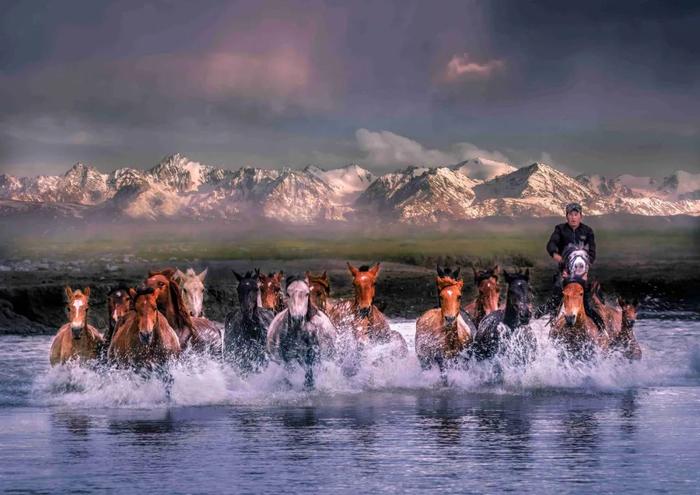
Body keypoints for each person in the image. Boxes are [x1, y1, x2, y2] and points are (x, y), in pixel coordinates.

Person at [536, 202, 605, 330]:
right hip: (564, 274)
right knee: (554, 302)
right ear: (566, 216)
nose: (573, 217)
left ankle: (602, 330)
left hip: (582, 275)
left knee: (588, 306)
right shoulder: (560, 229)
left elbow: (592, 254)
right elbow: (551, 245)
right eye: (570, 215)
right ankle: (535, 322)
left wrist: (585, 272)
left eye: (575, 214)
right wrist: (556, 256)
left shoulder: (588, 231)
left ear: (580, 216)